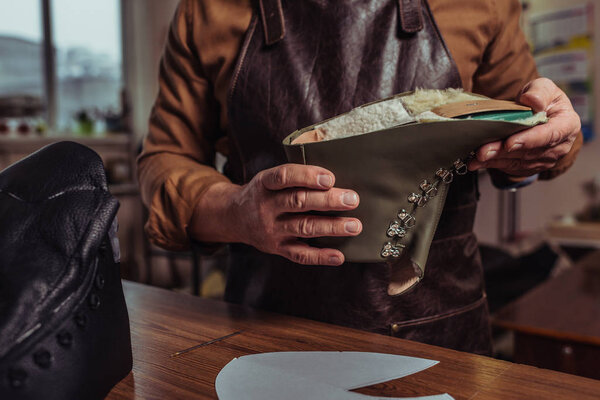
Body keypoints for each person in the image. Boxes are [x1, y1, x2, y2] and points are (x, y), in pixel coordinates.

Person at [137, 0, 582, 354]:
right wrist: (236, 212)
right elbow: (164, 158)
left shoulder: (480, 3)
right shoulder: (206, 10)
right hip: (268, 331)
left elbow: (537, 121)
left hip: (439, 331)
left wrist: (541, 145)